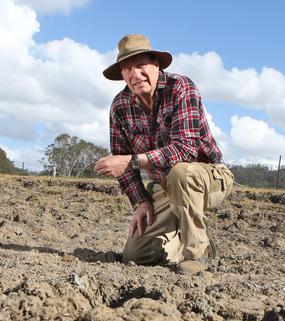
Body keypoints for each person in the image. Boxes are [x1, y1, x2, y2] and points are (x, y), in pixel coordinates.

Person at [94, 34, 234, 275]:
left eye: (140, 66)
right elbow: (122, 162)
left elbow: (185, 149)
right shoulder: (119, 106)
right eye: (127, 69)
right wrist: (141, 201)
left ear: (156, 64)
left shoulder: (181, 87)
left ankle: (197, 253)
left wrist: (132, 161)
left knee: (181, 172)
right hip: (165, 186)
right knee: (135, 255)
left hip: (206, 178)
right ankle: (186, 239)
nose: (135, 74)